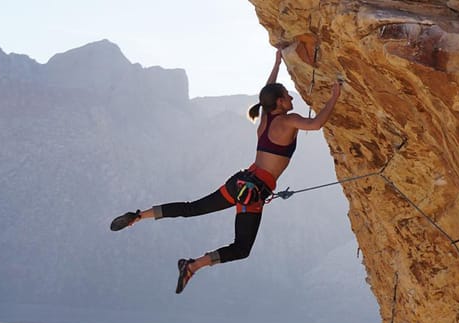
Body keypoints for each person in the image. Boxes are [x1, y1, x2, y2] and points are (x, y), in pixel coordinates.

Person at [109, 49, 342, 294]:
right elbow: (316, 124)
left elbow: (268, 90)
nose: (292, 101)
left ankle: (139, 216)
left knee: (192, 208)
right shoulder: (287, 120)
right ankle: (193, 266)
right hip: (252, 192)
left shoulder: (265, 119)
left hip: (241, 183)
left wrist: (277, 63)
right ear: (280, 103)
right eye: (288, 97)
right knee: (241, 248)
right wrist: (335, 95)